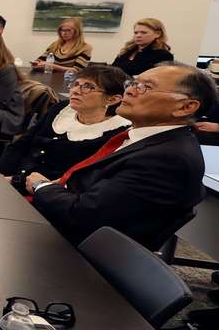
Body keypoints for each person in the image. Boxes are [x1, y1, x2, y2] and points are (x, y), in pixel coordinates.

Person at [29, 63, 214, 249]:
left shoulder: (167, 159)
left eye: (146, 87)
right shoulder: (143, 139)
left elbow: (83, 215)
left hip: (74, 248)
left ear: (186, 107)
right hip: (58, 220)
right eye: (132, 83)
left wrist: (41, 186)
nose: (130, 91)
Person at [0, 65, 130, 180]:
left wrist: (15, 181)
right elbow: (21, 144)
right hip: (11, 177)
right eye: (76, 84)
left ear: (113, 99)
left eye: (88, 87)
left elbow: (73, 178)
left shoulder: (114, 134)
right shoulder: (61, 109)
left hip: (42, 192)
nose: (75, 91)